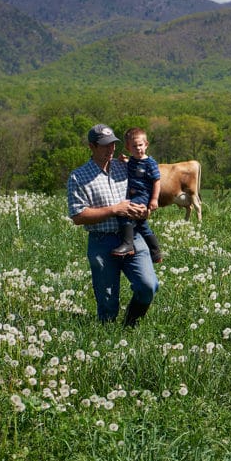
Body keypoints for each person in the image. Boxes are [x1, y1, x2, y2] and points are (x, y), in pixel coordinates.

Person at [67, 123, 159, 326]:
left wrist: (146, 209)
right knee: (107, 301)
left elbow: (148, 186)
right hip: (102, 242)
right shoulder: (78, 176)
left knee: (148, 286)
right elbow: (77, 216)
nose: (111, 149)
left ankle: (130, 324)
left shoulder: (127, 167)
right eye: (105, 145)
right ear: (92, 146)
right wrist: (114, 210)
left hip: (133, 236)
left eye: (113, 144)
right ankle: (108, 337)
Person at [111, 127, 163, 263]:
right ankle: (155, 252)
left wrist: (154, 199)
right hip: (132, 195)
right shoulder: (132, 160)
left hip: (143, 195)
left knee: (125, 212)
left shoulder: (150, 163)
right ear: (128, 148)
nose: (138, 148)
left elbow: (157, 181)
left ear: (146, 145)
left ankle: (128, 244)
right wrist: (123, 160)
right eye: (134, 146)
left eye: (140, 145)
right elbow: (131, 166)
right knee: (141, 225)